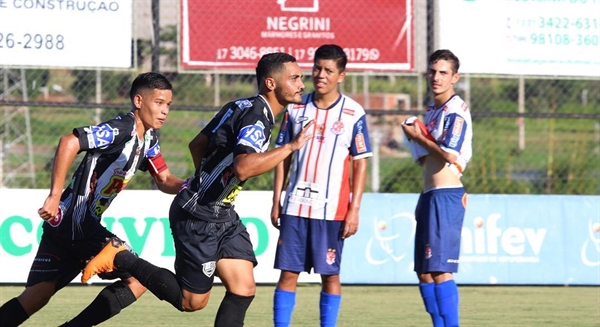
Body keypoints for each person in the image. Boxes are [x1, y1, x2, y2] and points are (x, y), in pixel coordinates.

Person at [80, 52, 314, 327]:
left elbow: (197, 145)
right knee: (192, 302)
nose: (301, 84)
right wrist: (290, 147)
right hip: (199, 216)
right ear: (271, 83)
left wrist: (207, 181)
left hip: (221, 213)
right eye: (295, 78)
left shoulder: (239, 105)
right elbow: (243, 167)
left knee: (243, 287)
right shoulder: (258, 117)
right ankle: (121, 257)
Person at [0, 72, 184, 327]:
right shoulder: (121, 129)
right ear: (139, 101)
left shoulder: (149, 140)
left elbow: (164, 180)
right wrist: (54, 196)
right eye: (158, 102)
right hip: (75, 224)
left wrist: (191, 187)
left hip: (70, 227)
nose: (164, 110)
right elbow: (68, 142)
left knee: (36, 296)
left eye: (168, 105)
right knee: (138, 278)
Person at [271, 44, 373, 327]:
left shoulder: (353, 112)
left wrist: (354, 209)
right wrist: (276, 198)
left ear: (341, 75)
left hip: (332, 211)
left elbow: (360, 161)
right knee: (288, 273)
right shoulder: (296, 107)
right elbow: (283, 155)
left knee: (330, 275)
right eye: (317, 68)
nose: (320, 75)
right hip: (295, 206)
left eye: (328, 70)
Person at [401, 49, 473, 327]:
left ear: (455, 77)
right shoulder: (432, 111)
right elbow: (425, 159)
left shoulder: (456, 110)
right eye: (432, 71)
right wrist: (414, 137)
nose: (436, 77)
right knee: (424, 272)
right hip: (429, 194)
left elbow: (449, 155)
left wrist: (419, 136)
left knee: (441, 270)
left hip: (447, 196)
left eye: (443, 72)